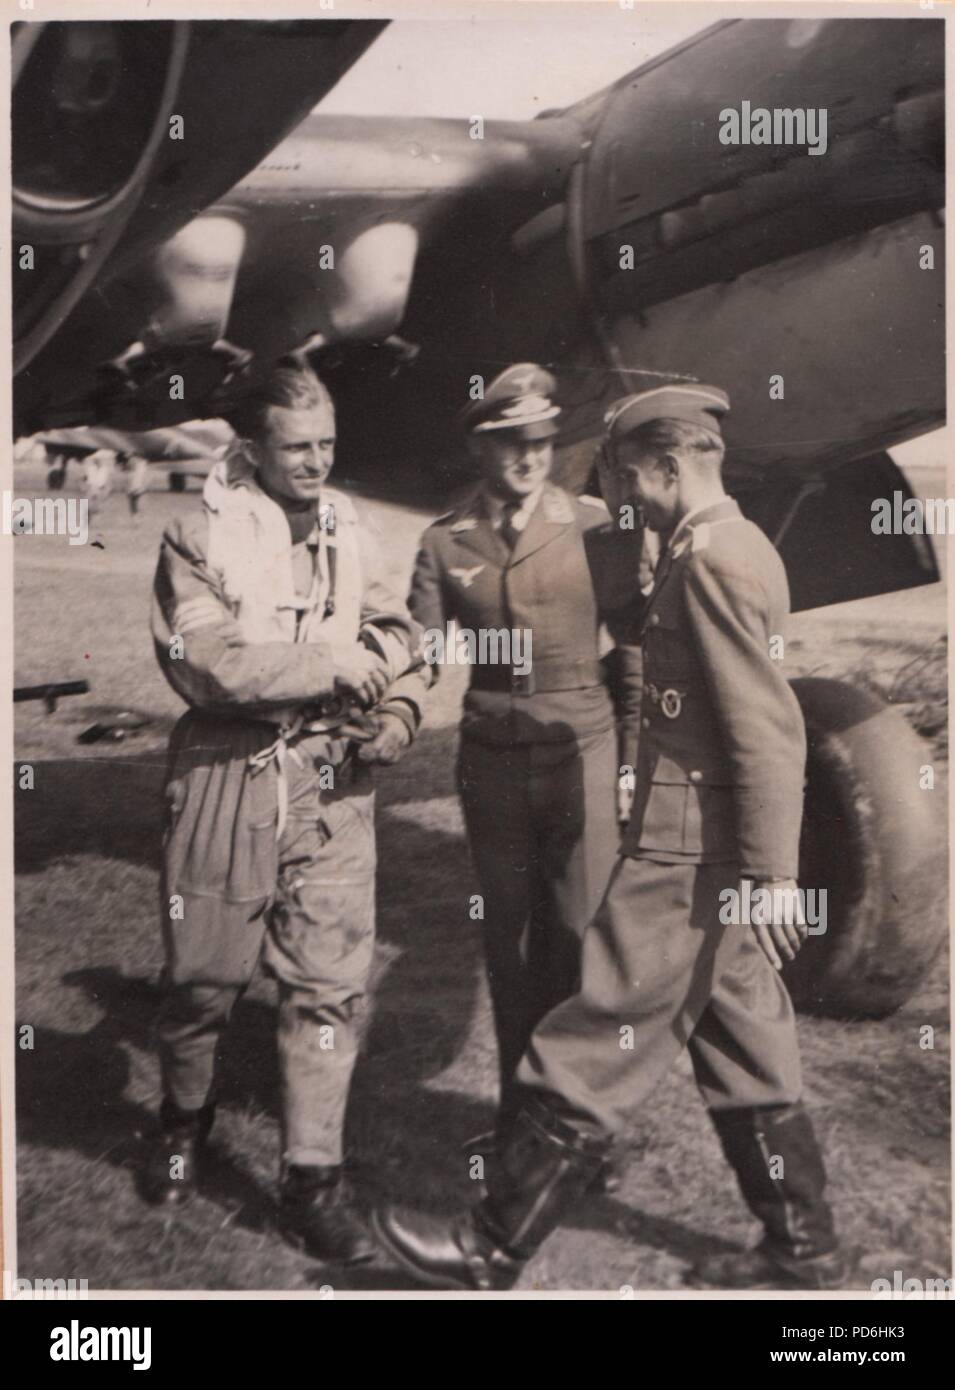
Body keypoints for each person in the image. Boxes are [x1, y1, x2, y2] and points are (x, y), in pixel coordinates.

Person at [375, 383, 848, 1291]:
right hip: (717, 852)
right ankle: (804, 1248)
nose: (624, 495)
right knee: (745, 1043)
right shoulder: (736, 544)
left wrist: (772, 878)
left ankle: (488, 1247)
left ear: (671, 466)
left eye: (632, 476)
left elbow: (765, 727)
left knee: (592, 1031)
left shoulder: (707, 561)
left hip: (688, 855)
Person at [145, 360, 427, 1265]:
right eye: (297, 446)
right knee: (203, 979)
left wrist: (394, 712)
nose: (315, 462)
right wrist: (328, 668)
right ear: (252, 446)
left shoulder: (356, 527)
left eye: (328, 444)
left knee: (327, 987)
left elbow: (396, 632)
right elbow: (205, 663)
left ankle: (314, 1180)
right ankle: (183, 1120)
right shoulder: (197, 536)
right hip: (230, 772)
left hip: (335, 782)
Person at [408, 363, 643, 1163]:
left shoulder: (594, 525)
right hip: (491, 761)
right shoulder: (444, 542)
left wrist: (632, 759)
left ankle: (584, 1132)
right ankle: (520, 1119)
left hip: (581, 747)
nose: (529, 457)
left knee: (580, 939)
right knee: (508, 943)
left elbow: (636, 647)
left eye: (540, 440)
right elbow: (420, 653)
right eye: (511, 442)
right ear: (482, 446)